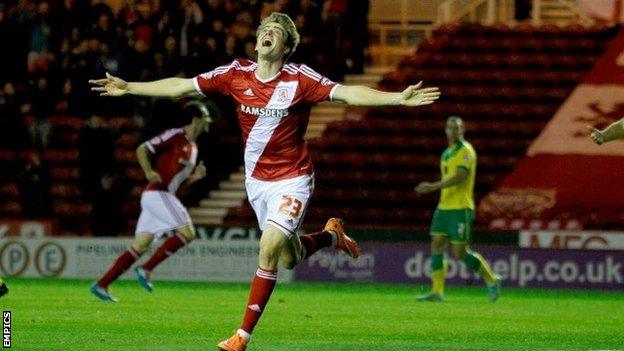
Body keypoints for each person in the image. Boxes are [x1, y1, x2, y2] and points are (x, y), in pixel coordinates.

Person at [89, 12, 440, 350]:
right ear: (256, 42)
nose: (266, 32)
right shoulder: (234, 74)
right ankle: (332, 235)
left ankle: (242, 335)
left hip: (293, 179)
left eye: (276, 29)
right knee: (289, 257)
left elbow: (348, 93)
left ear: (286, 46)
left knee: (269, 247)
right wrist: (129, 87)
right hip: (257, 183)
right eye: (263, 29)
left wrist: (397, 98)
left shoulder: (299, 79)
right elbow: (182, 85)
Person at [90, 101, 211, 302]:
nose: (208, 125)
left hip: (162, 196)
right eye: (206, 120)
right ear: (196, 120)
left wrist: (194, 178)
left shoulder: (194, 147)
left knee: (141, 244)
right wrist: (148, 171)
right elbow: (142, 149)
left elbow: (177, 182)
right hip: (157, 194)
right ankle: (146, 269)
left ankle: (101, 284)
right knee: (188, 233)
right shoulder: (175, 135)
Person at [415, 116, 501, 303]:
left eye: (457, 127)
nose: (453, 131)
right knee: (436, 245)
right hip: (444, 207)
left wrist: (433, 187)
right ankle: (437, 291)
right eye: (450, 127)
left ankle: (492, 280)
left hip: (461, 208)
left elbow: (460, 177)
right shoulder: (447, 153)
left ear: (463, 130)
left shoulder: (466, 151)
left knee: (459, 252)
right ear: (446, 130)